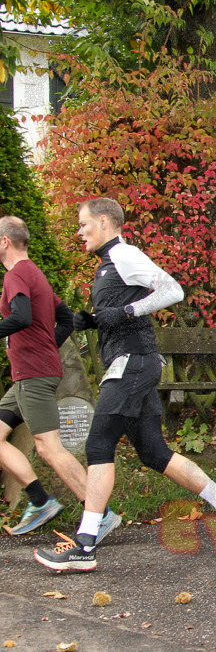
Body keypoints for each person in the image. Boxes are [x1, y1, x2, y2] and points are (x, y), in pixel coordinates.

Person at [34, 199, 216, 571]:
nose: (79, 231)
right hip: (135, 364)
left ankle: (85, 547)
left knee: (98, 444)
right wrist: (93, 320)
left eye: (84, 224)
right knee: (154, 453)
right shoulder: (108, 265)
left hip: (131, 365)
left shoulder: (124, 254)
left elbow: (173, 291)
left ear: (104, 222)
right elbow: (114, 313)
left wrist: (121, 313)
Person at [0, 216, 121, 540]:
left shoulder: (16, 274)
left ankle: (100, 514)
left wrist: (39, 352)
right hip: (30, 372)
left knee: (49, 447)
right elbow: (66, 318)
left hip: (33, 374)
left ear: (4, 242)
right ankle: (40, 500)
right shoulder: (34, 273)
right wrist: (47, 349)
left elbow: (21, 316)